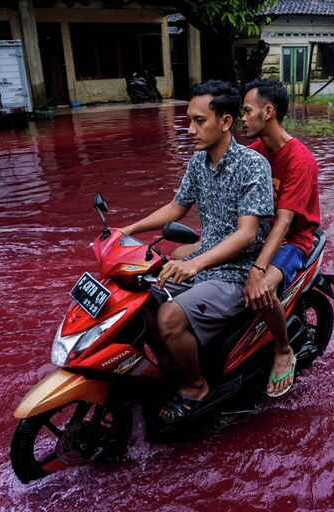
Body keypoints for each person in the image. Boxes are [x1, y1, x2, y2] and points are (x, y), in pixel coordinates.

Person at [118, 80, 273, 422]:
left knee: (169, 318)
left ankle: (195, 386)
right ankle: (174, 367)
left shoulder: (253, 166)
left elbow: (247, 234)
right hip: (202, 263)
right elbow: (176, 208)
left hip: (237, 270)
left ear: (226, 122)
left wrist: (195, 262)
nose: (190, 130)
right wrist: (127, 230)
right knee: (142, 300)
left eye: (199, 121)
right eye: (189, 120)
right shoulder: (198, 162)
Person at [241, 79, 320, 397]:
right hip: (260, 233)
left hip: (293, 240)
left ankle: (283, 348)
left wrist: (258, 270)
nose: (243, 118)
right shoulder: (255, 152)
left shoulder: (299, 160)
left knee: (261, 290)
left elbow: (285, 222)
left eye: (247, 111)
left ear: (268, 112)